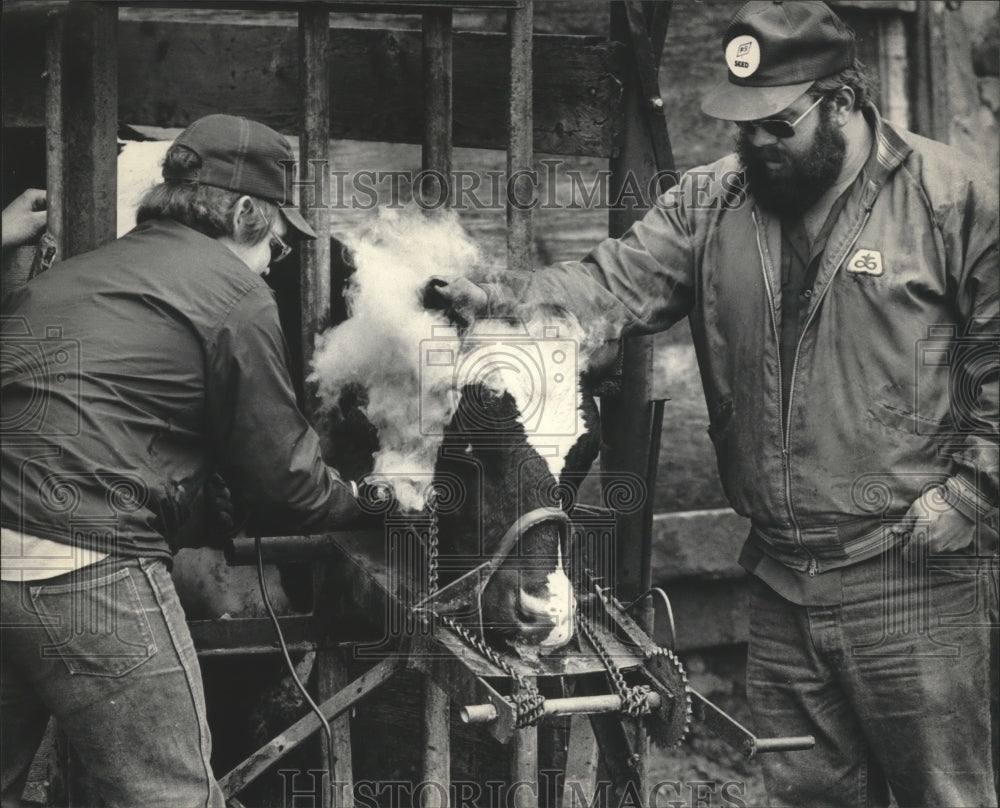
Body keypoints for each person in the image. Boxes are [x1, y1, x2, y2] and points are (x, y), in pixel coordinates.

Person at [425, 2, 999, 806]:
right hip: (779, 581)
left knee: (946, 795)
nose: (757, 141)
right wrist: (509, 298)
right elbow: (611, 284)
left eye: (777, 123)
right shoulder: (715, 202)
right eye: (743, 124)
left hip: (911, 575)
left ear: (843, 99)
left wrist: (976, 491)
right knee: (808, 795)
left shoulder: (953, 200)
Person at [1, 114, 362, 808]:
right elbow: (286, 480)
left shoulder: (87, 271)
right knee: (172, 796)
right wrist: (370, 500)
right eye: (278, 234)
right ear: (248, 211)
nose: (277, 249)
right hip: (87, 561)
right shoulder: (236, 292)